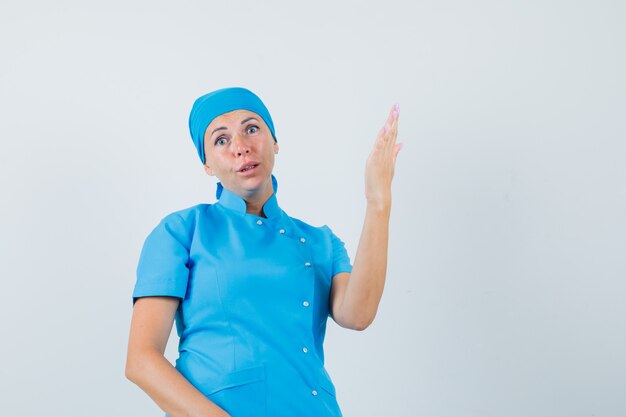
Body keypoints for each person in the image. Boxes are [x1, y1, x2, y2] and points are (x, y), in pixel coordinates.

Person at [125, 86, 402, 417]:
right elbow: (141, 360)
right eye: (221, 140)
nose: (241, 147)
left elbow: (357, 315)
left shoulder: (319, 241)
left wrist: (378, 201)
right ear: (207, 165)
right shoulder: (182, 231)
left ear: (275, 142)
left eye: (251, 129)